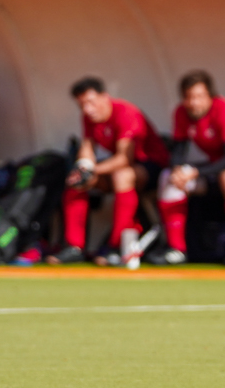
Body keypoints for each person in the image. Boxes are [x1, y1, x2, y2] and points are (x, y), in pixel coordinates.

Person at [149, 70, 225, 266]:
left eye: (199, 97)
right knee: (168, 177)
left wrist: (196, 173)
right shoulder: (181, 112)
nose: (194, 103)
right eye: (189, 97)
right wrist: (177, 171)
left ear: (210, 96)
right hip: (217, 168)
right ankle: (176, 249)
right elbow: (179, 151)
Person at [47, 77, 169, 265]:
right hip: (117, 169)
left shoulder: (126, 112)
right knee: (77, 181)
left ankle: (117, 246)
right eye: (82, 105)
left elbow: (124, 158)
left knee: (122, 176)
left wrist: (93, 169)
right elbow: (87, 148)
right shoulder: (88, 117)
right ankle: (74, 247)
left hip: (151, 167)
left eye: (91, 102)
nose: (87, 109)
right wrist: (83, 169)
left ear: (104, 97)